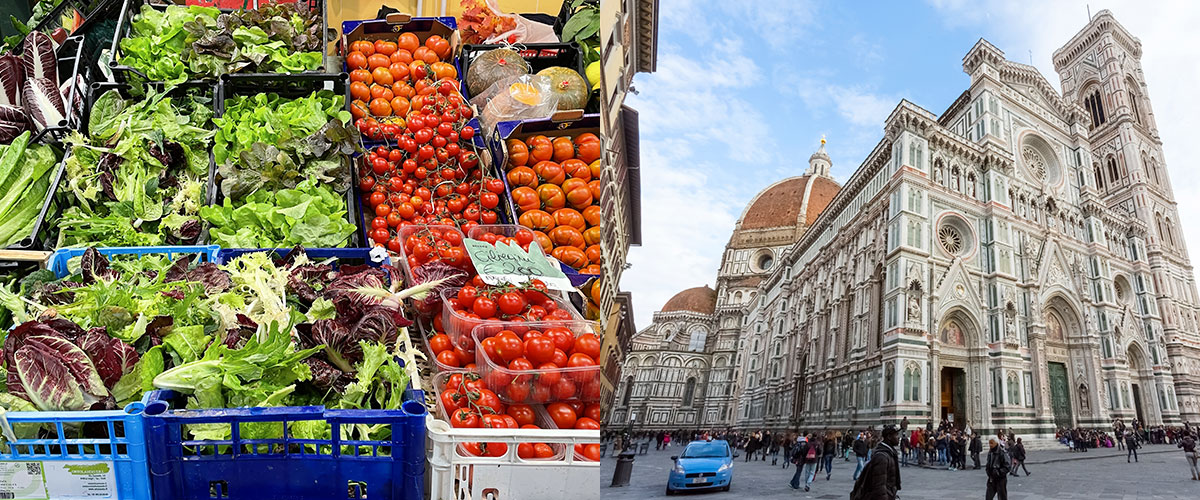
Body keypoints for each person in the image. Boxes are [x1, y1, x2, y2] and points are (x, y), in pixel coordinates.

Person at [850, 424, 902, 500]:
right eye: (896, 435)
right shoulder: (882, 457)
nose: (898, 437)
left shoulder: (889, 453)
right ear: (889, 437)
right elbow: (879, 486)